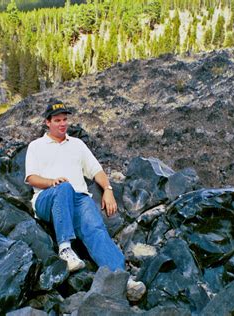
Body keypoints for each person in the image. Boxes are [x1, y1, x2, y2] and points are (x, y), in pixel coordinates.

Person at [24, 99, 146, 300]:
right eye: (57, 120)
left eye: (65, 120)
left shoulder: (77, 144)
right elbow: (31, 178)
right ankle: (65, 249)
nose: (62, 124)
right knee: (64, 187)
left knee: (96, 229)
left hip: (78, 199)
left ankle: (123, 279)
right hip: (47, 198)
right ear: (47, 122)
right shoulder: (36, 146)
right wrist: (52, 182)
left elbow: (96, 170)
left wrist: (107, 189)